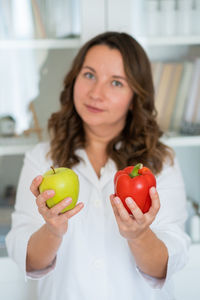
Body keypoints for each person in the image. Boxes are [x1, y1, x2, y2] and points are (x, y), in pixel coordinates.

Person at [6, 31, 190, 300]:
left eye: (116, 83)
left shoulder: (159, 163)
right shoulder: (42, 159)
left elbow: (168, 261)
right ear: (74, 80)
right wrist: (52, 231)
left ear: (134, 97)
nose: (95, 93)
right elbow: (27, 259)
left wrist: (139, 235)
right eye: (89, 75)